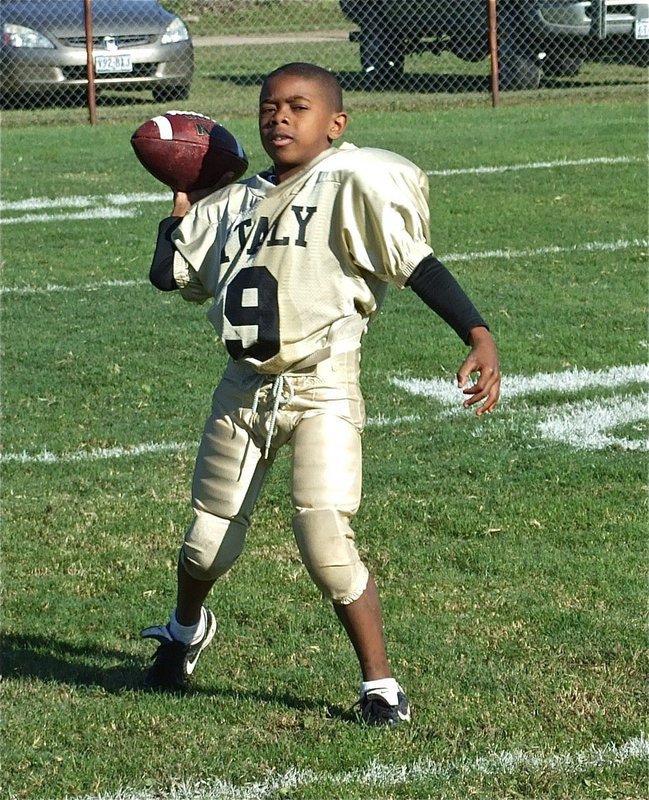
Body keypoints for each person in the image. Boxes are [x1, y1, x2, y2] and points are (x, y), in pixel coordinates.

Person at [141, 62, 500, 726]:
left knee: (326, 543)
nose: (279, 117)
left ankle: (381, 687)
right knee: (203, 544)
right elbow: (169, 277)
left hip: (322, 386)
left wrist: (475, 332)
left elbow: (414, 262)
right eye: (269, 106)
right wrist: (181, 200)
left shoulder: (351, 181)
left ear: (335, 124)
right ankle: (183, 633)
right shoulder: (234, 200)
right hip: (243, 388)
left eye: (298, 107)